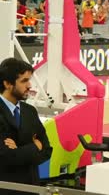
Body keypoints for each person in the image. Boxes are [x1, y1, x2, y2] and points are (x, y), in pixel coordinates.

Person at [0, 58, 52, 195]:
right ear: (7, 83)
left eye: (29, 80)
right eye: (24, 81)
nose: (29, 85)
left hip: (31, 187)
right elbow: (5, 157)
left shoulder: (30, 111)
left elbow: (47, 150)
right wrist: (35, 146)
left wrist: (19, 150)